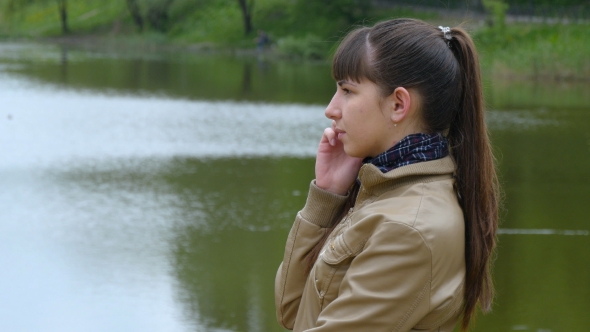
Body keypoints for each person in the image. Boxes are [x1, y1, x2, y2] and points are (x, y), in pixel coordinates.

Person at [274, 18, 500, 331]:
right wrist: (326, 196)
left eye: (347, 90)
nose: (331, 108)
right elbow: (292, 312)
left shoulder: (408, 229)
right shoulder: (382, 192)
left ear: (397, 104)